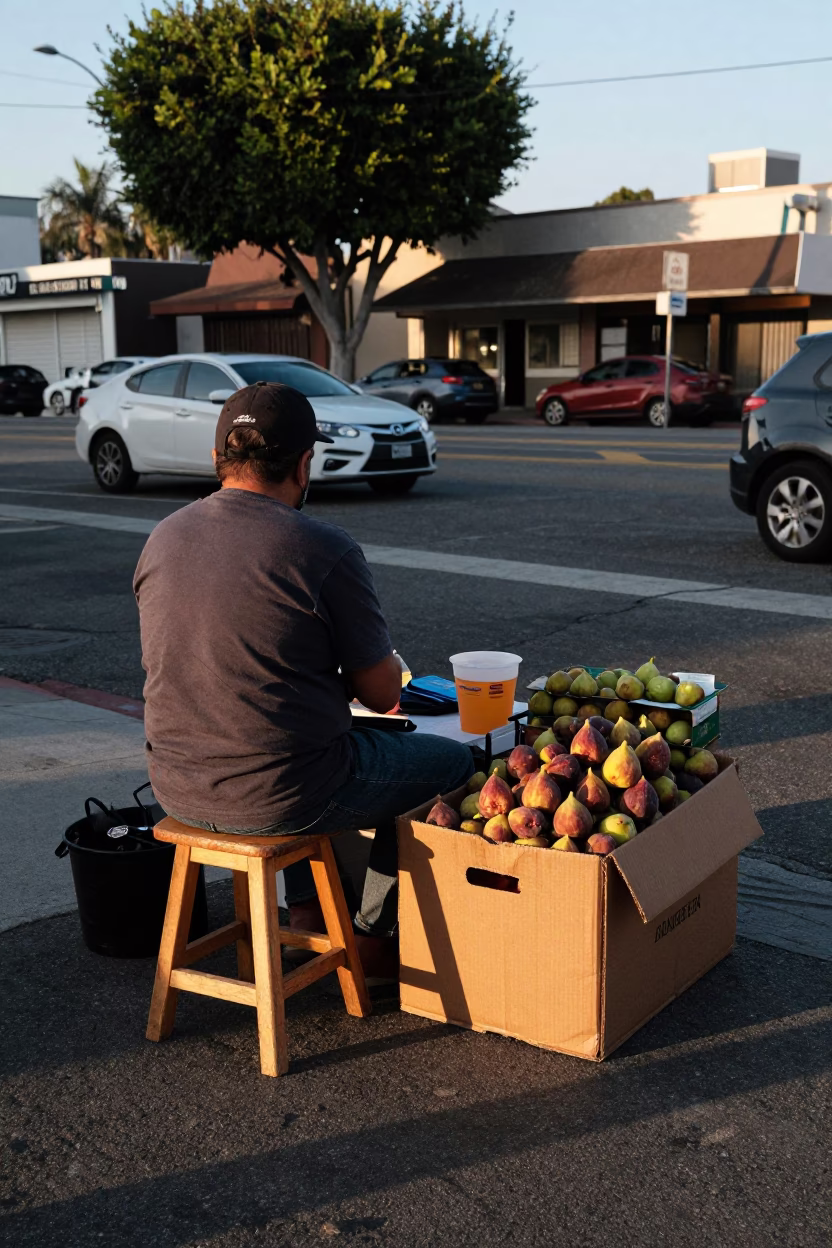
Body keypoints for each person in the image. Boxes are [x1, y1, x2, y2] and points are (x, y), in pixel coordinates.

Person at [134, 381, 473, 979]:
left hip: (176, 786)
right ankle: (371, 936)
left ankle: (308, 909)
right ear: (302, 463)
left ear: (219, 460)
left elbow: (217, 668)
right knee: (451, 767)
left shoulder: (162, 538)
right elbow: (385, 694)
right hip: (282, 795)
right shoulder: (321, 547)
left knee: (287, 738)